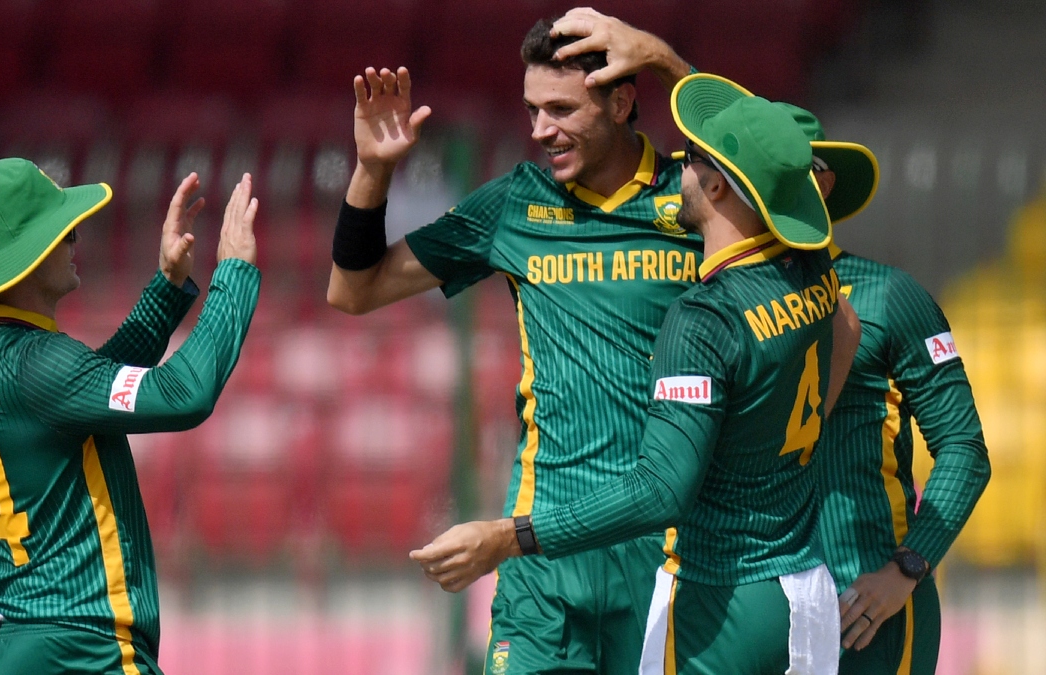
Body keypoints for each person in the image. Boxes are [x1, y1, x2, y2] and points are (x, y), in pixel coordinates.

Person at [411, 74, 862, 675]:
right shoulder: (808, 273)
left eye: (693, 158)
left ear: (719, 185)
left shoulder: (702, 317)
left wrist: (505, 538)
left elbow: (660, 492)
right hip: (805, 590)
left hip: (719, 598)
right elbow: (848, 328)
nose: (679, 167)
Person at [326, 16, 702, 675]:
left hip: (664, 554)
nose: (540, 130)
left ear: (621, 101)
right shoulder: (516, 205)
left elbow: (782, 162)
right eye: (532, 110)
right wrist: (373, 172)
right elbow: (353, 289)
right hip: (539, 556)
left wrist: (666, 61)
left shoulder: (695, 198)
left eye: (561, 109)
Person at [0, 158, 261, 675]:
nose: (75, 237)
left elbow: (83, 393)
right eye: (61, 230)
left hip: (13, 643)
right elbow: (185, 394)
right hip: (86, 649)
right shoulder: (38, 362)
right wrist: (234, 274)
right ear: (24, 257)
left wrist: (167, 287)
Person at [781, 104, 991, 674]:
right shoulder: (711, 303)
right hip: (759, 607)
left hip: (868, 611)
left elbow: (964, 449)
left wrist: (906, 568)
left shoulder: (891, 295)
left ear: (821, 183)